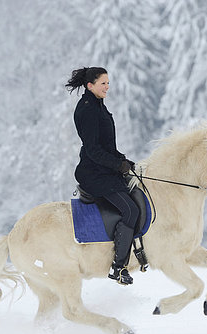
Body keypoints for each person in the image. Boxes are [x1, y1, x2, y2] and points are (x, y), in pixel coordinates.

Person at [66, 67, 138, 285]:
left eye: (108, 83)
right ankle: (119, 267)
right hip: (94, 173)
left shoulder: (98, 106)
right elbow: (93, 150)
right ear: (90, 86)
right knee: (130, 210)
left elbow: (107, 145)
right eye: (103, 83)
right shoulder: (87, 109)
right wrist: (118, 165)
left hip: (104, 169)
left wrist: (124, 160)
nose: (107, 87)